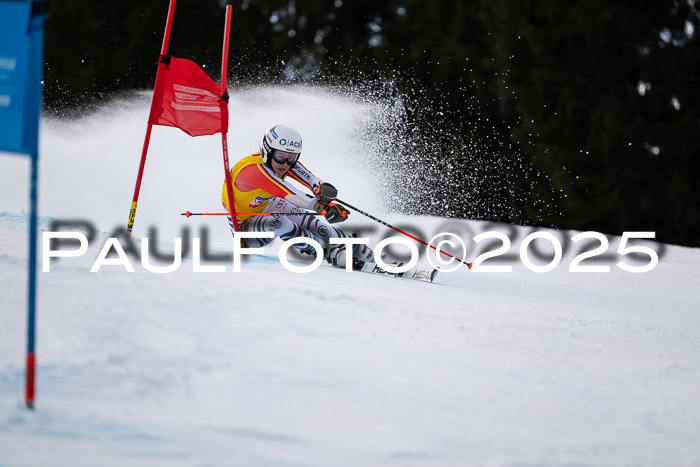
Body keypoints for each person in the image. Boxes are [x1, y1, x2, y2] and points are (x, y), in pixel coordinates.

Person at [222, 124, 374, 269]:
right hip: (245, 228)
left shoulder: (281, 162)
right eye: (281, 156)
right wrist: (321, 207)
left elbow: (310, 179)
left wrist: (321, 189)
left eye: (292, 157)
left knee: (310, 222)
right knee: (280, 222)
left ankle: (357, 249)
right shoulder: (253, 171)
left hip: (268, 205)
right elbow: (288, 192)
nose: (286, 163)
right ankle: (327, 251)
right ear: (268, 151)